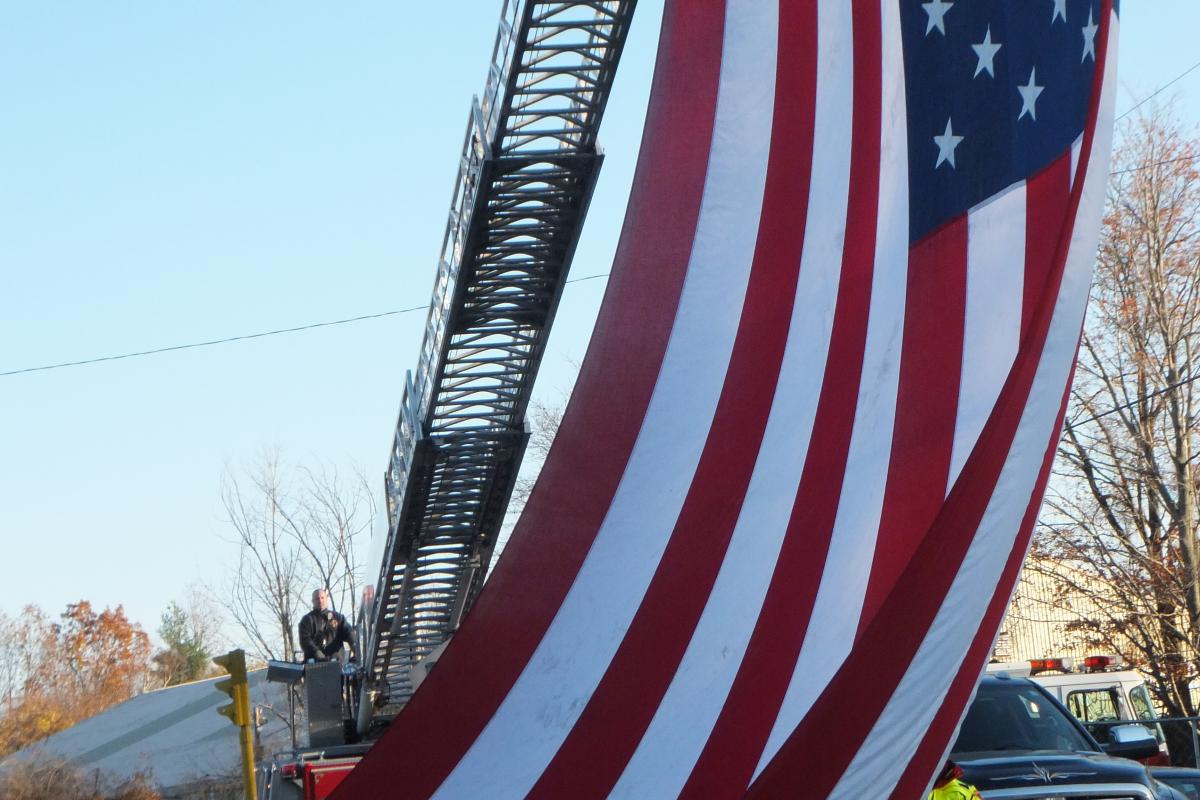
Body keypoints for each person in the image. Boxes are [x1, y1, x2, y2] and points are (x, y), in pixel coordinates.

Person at [298, 588, 356, 663]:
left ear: (326, 599)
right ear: (313, 601)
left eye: (322, 598)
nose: (320, 600)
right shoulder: (306, 620)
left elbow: (349, 632)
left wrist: (355, 647)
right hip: (314, 665)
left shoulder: (337, 618)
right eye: (317, 598)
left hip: (337, 663)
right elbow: (305, 641)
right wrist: (317, 653)